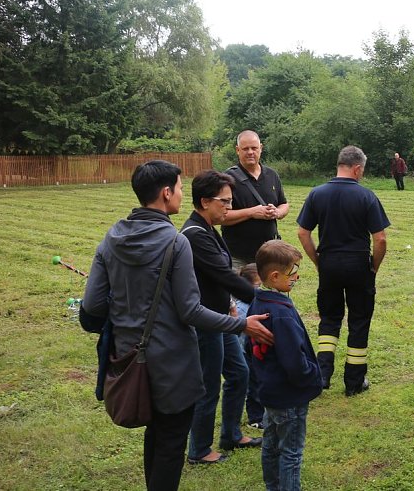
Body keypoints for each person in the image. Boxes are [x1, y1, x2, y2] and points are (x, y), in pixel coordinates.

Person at [81, 160, 274, 491]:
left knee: (156, 435)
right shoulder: (176, 242)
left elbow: (92, 309)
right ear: (166, 193)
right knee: (170, 443)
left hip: (128, 358)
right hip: (173, 364)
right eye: (181, 188)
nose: (183, 195)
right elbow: (191, 311)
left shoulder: (111, 238)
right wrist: (242, 325)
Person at [181, 170, 263, 465]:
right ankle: (199, 450)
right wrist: (264, 300)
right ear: (205, 201)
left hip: (222, 316)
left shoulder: (207, 229)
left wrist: (229, 303)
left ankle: (231, 435)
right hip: (206, 322)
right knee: (208, 385)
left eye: (230, 201)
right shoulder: (194, 234)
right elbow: (224, 275)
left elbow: (215, 276)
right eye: (224, 201)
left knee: (239, 373)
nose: (229, 207)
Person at [297, 146, 391, 396]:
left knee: (329, 318)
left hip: (329, 264)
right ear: (357, 169)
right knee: (359, 320)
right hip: (358, 264)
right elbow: (380, 239)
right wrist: (374, 266)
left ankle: (322, 375)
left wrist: (317, 260)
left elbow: (302, 233)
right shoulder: (366, 196)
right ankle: (354, 382)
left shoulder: (317, 194)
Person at [249, 239, 323, 491]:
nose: (297, 277)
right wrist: (312, 376)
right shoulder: (281, 314)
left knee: (270, 445)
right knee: (291, 452)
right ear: (274, 276)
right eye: (293, 272)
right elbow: (294, 361)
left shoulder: (259, 303)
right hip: (290, 396)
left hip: (270, 392)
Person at [222, 130, 289, 268]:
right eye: (245, 149)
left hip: (269, 255)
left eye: (254, 148)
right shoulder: (227, 178)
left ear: (261, 148)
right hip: (238, 257)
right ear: (237, 150)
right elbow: (220, 217)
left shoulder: (272, 175)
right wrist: (251, 212)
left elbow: (284, 204)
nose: (250, 152)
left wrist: (277, 212)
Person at [235, 263, 266, 429]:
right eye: (257, 286)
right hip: (246, 353)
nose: (260, 289)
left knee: (261, 381)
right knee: (253, 385)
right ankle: (255, 418)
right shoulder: (241, 308)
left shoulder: (259, 304)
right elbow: (239, 336)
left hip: (258, 350)